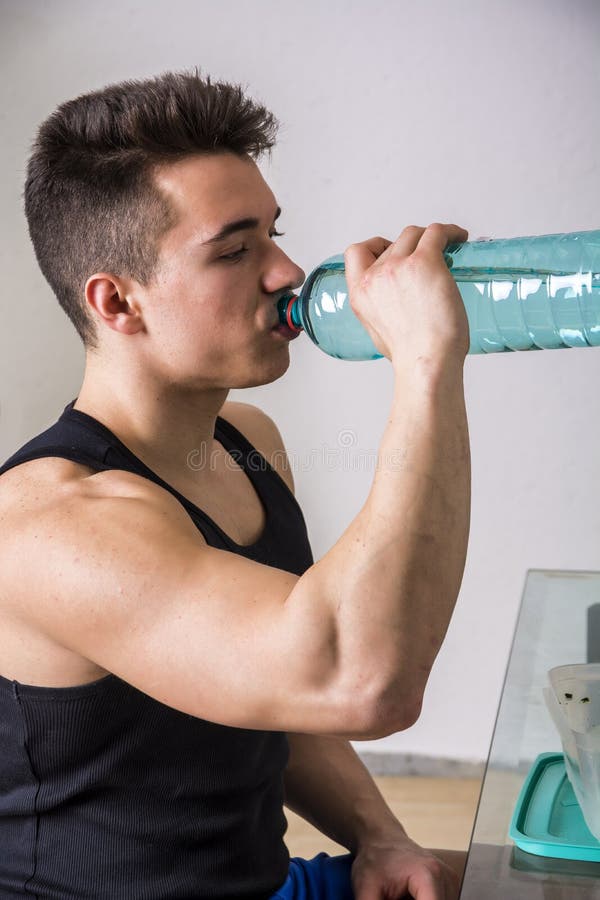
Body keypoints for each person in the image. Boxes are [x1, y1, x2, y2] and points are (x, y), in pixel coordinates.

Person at [0, 70, 472, 899]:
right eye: (234, 249)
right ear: (118, 302)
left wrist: (382, 839)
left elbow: (281, 690)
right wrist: (426, 364)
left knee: (538, 879)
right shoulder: (52, 526)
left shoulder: (247, 443)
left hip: (264, 882)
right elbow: (361, 681)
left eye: (275, 235)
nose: (288, 272)